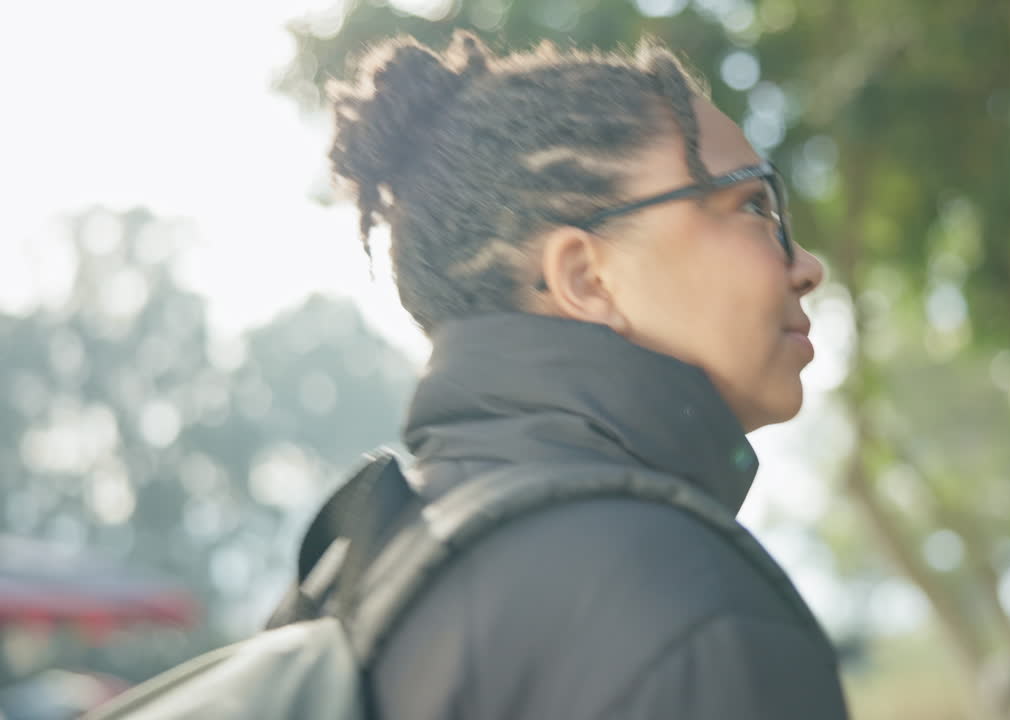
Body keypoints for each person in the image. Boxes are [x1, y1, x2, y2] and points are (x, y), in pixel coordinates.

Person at [327, 28, 849, 719]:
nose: (806, 265)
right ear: (586, 278)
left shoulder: (360, 578)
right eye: (753, 206)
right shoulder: (681, 601)